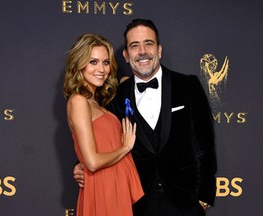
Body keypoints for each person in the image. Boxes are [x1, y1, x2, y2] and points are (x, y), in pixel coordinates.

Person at [73, 19, 217, 216]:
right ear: (125, 55)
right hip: (136, 203)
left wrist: (204, 198)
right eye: (134, 46)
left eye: (148, 43)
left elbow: (205, 144)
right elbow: (97, 137)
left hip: (185, 203)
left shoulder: (187, 85)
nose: (142, 51)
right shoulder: (115, 96)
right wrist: (80, 165)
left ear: (159, 50)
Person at [63, 33, 144, 216]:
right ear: (79, 65)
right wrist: (125, 147)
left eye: (105, 62)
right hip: (102, 190)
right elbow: (91, 162)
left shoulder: (97, 103)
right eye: (93, 62)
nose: (101, 69)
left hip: (115, 188)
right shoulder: (78, 101)